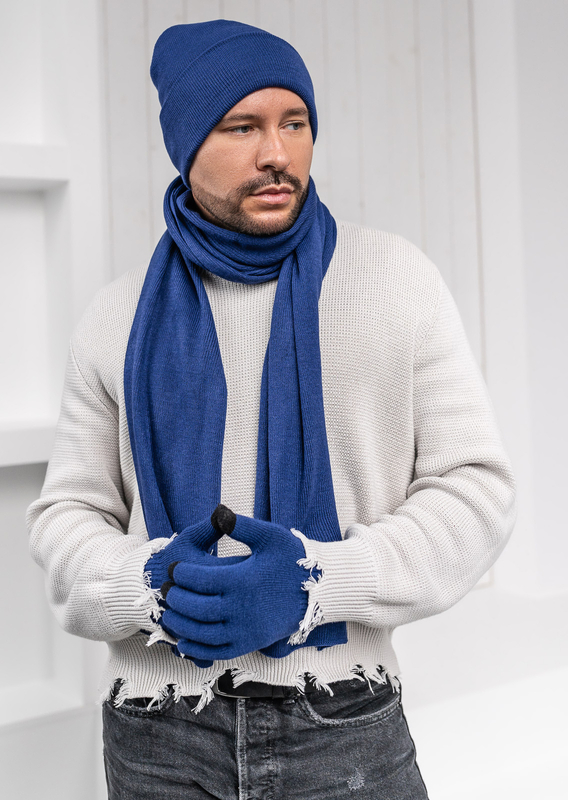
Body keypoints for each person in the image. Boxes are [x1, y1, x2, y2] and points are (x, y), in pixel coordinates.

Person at [27, 19, 516, 800]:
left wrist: (317, 582)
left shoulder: (396, 280)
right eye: (242, 127)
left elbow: (476, 493)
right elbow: (66, 517)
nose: (278, 154)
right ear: (187, 144)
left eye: (295, 123)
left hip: (342, 719)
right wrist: (149, 585)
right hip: (158, 732)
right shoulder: (115, 317)